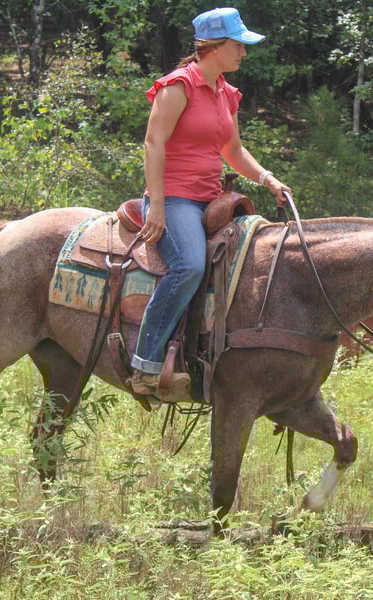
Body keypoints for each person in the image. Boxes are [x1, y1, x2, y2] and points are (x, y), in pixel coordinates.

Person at [128, 7, 291, 400]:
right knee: (189, 266)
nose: (244, 53)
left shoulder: (226, 94)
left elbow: (233, 150)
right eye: (238, 45)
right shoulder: (178, 86)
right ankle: (145, 366)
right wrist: (159, 206)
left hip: (212, 199)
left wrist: (267, 178)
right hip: (176, 198)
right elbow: (153, 143)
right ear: (214, 47)